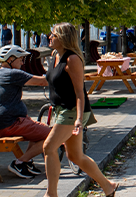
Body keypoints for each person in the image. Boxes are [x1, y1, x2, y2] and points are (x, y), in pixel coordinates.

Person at [43, 22, 118, 197]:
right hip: (60, 110)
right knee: (75, 156)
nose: (49, 37)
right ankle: (108, 186)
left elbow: (79, 92)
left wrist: (78, 119)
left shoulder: (72, 59)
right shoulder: (55, 55)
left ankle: (51, 194)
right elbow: (48, 79)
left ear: (62, 38)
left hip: (72, 111)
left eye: (53, 35)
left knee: (48, 147)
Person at [0, 45, 51, 178]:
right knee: (52, 136)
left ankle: (26, 162)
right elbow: (43, 82)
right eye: (20, 59)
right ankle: (19, 162)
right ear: (10, 59)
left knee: (39, 131)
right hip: (11, 124)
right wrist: (58, 71)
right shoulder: (12, 73)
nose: (22, 63)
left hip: (4, 123)